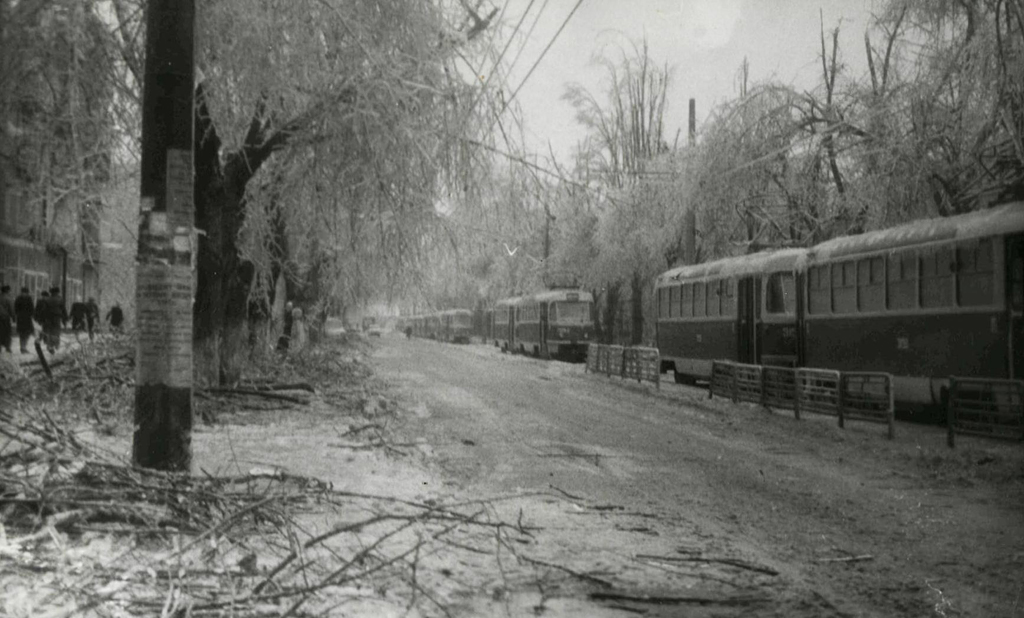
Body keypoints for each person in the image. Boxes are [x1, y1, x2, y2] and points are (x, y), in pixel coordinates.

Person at [14, 287, 35, 354]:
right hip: (27, 319)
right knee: (26, 333)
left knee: (22, 333)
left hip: (20, 318)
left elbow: (15, 308)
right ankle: (24, 347)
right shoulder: (29, 298)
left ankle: (22, 347)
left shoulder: (18, 298)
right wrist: (32, 315)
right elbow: (32, 308)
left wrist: (18, 315)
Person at [0, 285, 13, 354]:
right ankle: (8, 347)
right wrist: (13, 317)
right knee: (7, 333)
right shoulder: (8, 298)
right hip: (5, 318)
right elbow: (11, 309)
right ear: (7, 291)